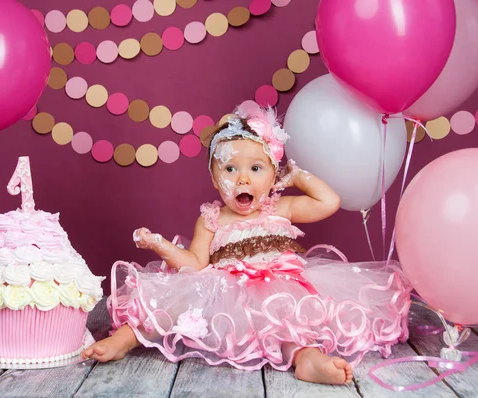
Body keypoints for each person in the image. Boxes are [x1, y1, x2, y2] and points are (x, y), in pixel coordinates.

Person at [82, 102, 411, 385]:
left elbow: (329, 202)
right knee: (173, 308)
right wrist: (160, 245)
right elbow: (196, 264)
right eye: (230, 169)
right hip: (223, 292)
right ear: (214, 178)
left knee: (289, 322)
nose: (243, 179)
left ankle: (307, 359)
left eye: (256, 169)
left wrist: (297, 177)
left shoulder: (281, 207)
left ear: (272, 175)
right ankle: (124, 339)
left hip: (279, 288)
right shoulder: (212, 219)